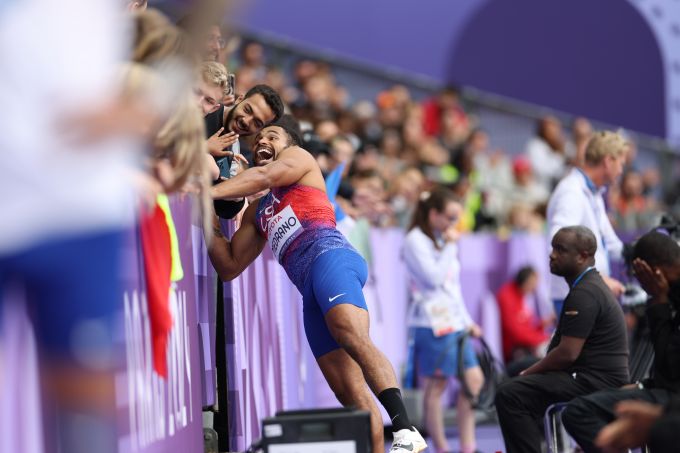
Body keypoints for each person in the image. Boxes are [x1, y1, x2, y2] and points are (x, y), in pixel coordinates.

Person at [207, 118, 427, 453]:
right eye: (259, 139)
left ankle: (405, 428)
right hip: (308, 289)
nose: (262, 140)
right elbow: (229, 266)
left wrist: (205, 189)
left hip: (333, 259)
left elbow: (265, 176)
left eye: (272, 135)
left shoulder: (300, 159)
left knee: (351, 334)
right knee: (348, 392)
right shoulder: (257, 212)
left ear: (289, 143)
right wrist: (205, 215)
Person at [495, 226, 629, 453]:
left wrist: (530, 373)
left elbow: (567, 354)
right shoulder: (586, 287)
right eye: (553, 247)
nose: (552, 254)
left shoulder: (585, 293)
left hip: (595, 381)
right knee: (519, 384)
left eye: (561, 249)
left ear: (583, 256)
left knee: (511, 393)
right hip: (588, 375)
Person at [561, 231, 680, 452]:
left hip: (672, 397)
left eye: (640, 276)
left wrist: (659, 301)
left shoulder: (667, 294)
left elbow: (670, 367)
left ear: (652, 271)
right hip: (667, 390)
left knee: (579, 412)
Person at [402, 187, 484, 453]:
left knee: (474, 381)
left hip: (455, 322)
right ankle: (441, 447)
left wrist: (468, 320)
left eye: (456, 218)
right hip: (431, 323)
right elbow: (433, 279)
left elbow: (452, 287)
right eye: (450, 217)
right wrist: (450, 245)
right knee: (435, 388)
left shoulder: (441, 240)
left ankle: (468, 446)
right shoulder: (415, 240)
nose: (454, 224)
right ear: (433, 214)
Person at [547, 130, 628, 315]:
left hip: (589, 293)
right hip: (575, 296)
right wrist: (601, 280)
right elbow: (559, 245)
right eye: (621, 164)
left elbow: (611, 244)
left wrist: (642, 253)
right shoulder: (571, 192)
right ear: (608, 161)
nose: (622, 171)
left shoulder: (594, 193)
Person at [204, 84, 284, 218]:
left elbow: (223, 210)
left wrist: (238, 193)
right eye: (247, 110)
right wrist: (204, 148)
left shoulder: (234, 149)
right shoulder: (206, 109)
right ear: (239, 99)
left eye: (257, 123)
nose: (246, 121)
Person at [495, 266, 551, 375]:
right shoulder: (507, 296)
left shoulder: (520, 296)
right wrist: (543, 338)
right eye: (533, 284)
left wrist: (542, 324)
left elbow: (525, 327)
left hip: (525, 345)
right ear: (525, 281)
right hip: (516, 350)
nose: (535, 288)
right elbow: (516, 334)